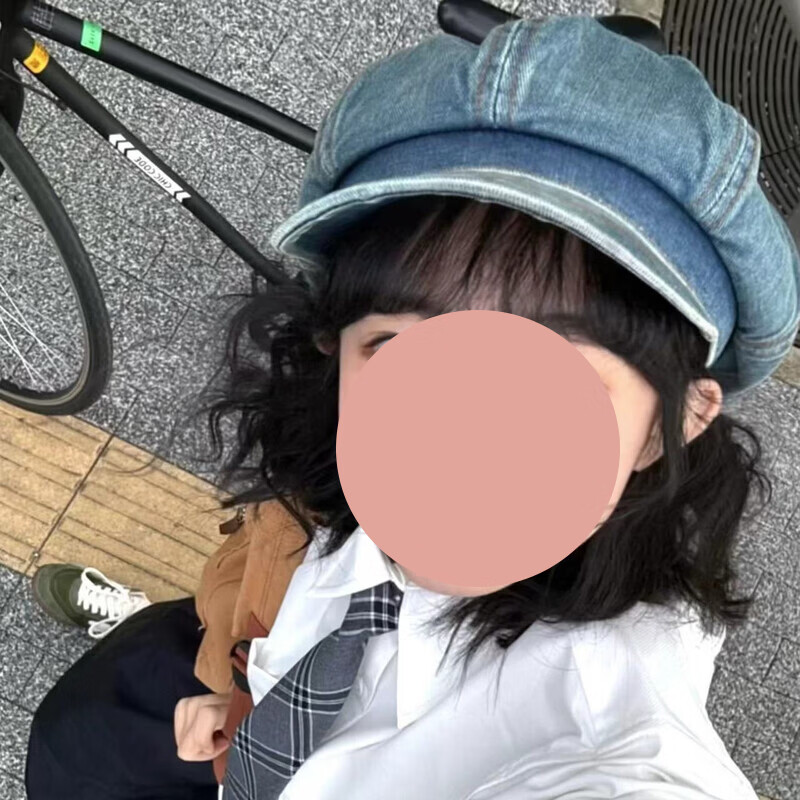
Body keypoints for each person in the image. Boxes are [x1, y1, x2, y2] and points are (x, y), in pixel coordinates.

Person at [25, 12, 800, 800]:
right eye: (401, 348)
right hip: (241, 674)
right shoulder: (331, 468)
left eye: (553, 375)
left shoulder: (611, 743)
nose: (457, 440)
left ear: (672, 426)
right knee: (89, 723)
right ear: (334, 347)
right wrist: (251, 705)